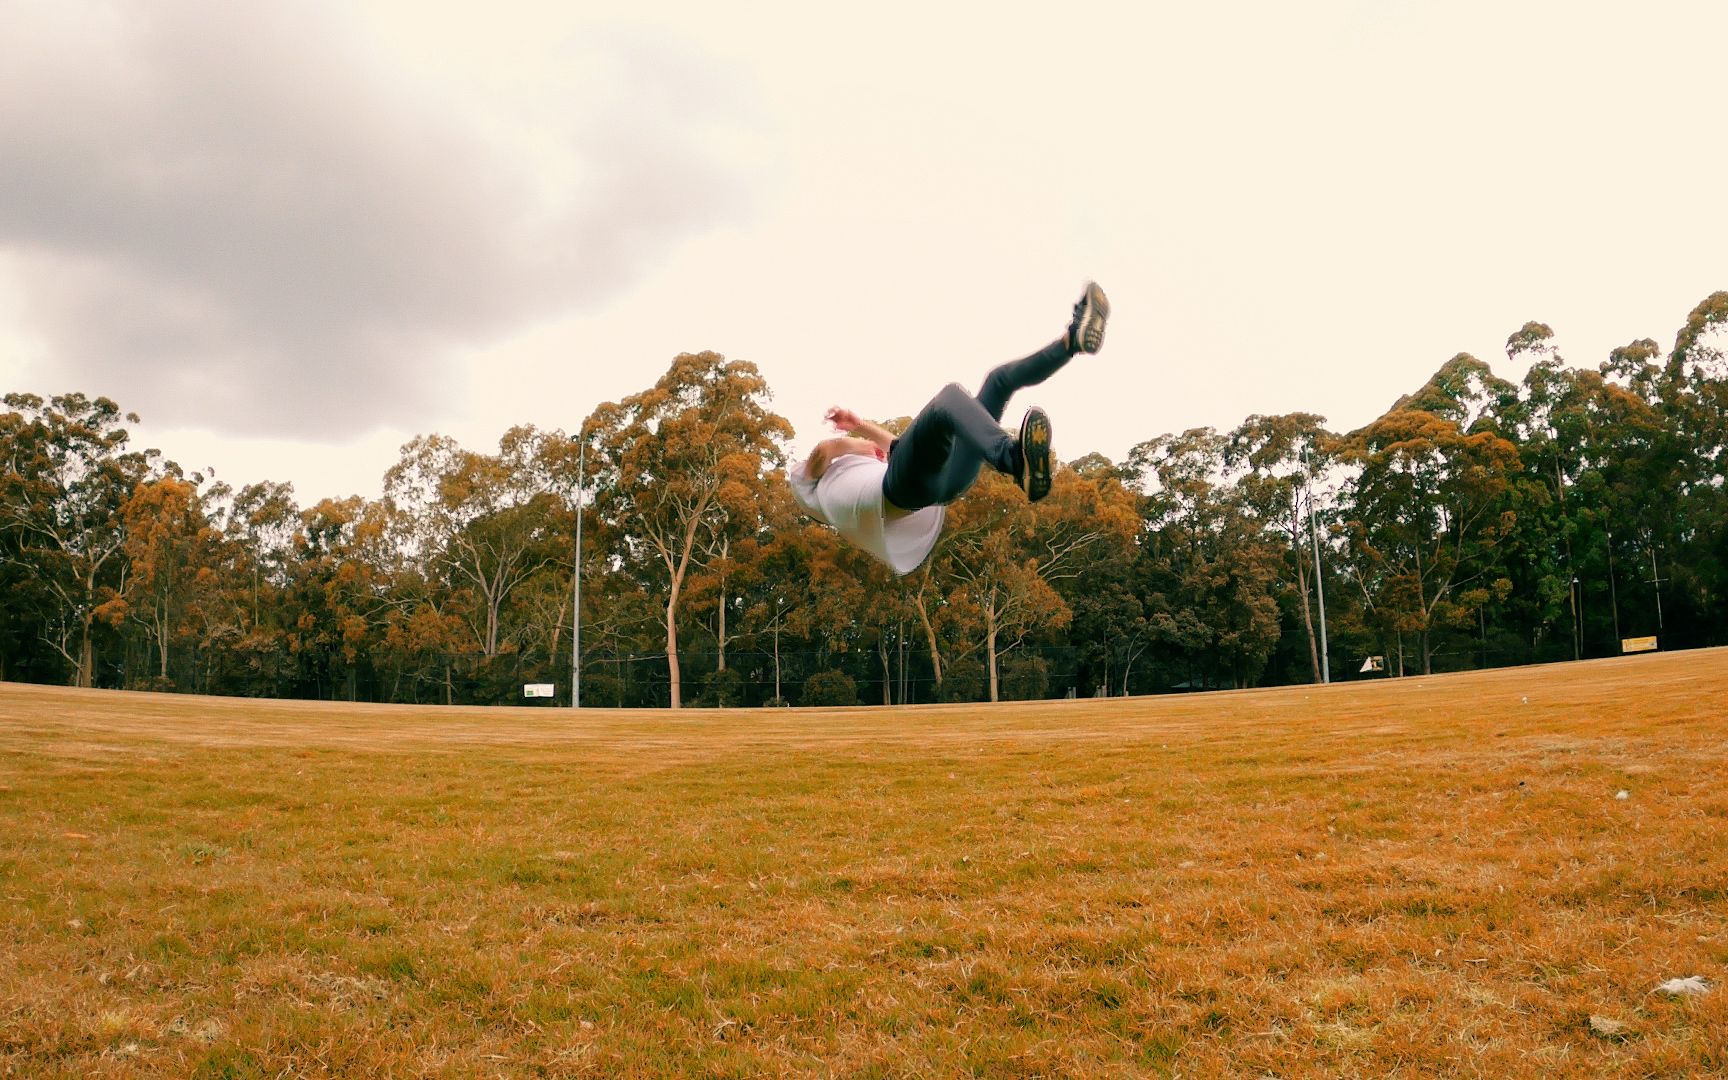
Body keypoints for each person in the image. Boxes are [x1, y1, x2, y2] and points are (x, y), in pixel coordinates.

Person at [789, 282, 1109, 575]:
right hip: (902, 492)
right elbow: (824, 451)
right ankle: (1013, 459)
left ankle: (1071, 342)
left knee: (998, 381)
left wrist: (858, 425)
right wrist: (855, 442)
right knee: (948, 400)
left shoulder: (859, 478)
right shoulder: (812, 492)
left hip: (944, 483)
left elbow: (896, 448)